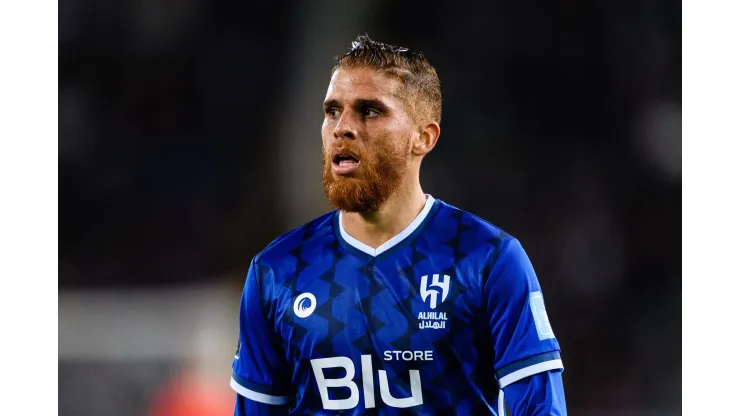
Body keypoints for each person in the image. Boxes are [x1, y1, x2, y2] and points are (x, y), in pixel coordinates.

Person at [230, 34, 567, 415]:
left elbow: (541, 408)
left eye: (369, 111)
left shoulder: (487, 259)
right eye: (332, 111)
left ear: (423, 137)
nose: (342, 127)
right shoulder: (277, 271)